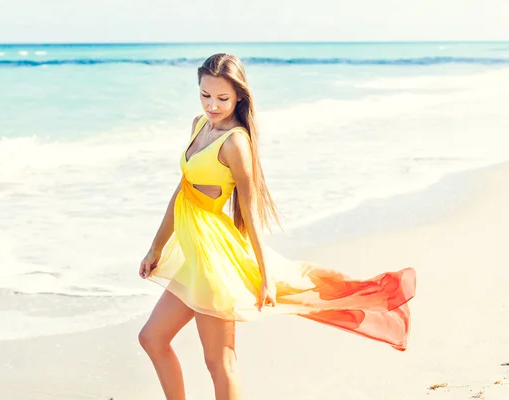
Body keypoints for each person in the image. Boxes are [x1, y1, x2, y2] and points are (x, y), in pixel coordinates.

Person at [137, 53, 416, 400]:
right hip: (194, 255)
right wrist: (156, 247)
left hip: (214, 262)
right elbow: (183, 192)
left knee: (220, 362)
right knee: (152, 338)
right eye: (205, 95)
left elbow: (250, 212)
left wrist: (265, 276)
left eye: (222, 98)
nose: (212, 105)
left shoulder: (236, 143)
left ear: (239, 95)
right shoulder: (198, 125)